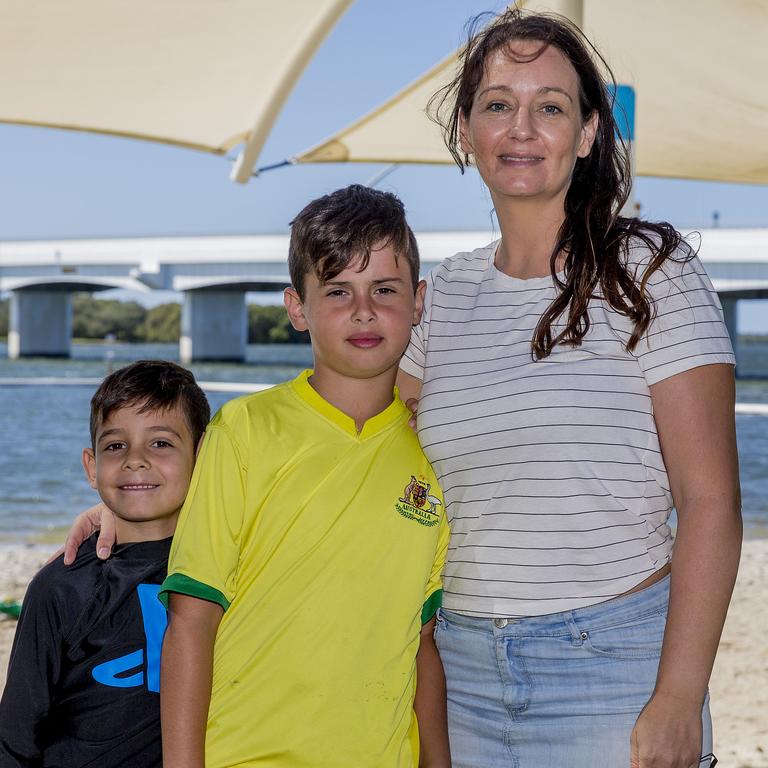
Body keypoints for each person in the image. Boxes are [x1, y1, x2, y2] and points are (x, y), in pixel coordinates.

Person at [396, 9, 740, 768]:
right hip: (457, 678)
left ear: (587, 134)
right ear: (465, 131)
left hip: (615, 670)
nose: (522, 128)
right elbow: (352, 453)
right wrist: (156, 493)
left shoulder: (653, 271)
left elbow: (712, 500)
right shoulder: (441, 297)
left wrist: (680, 697)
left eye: (550, 106)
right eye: (497, 105)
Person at [158, 185, 451, 767]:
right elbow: (192, 620)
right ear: (297, 308)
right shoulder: (244, 430)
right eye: (338, 290)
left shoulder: (434, 454)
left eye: (384, 290)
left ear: (419, 302)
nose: (364, 311)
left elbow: (421, 643)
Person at [0, 360, 209, 767]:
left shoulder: (224, 567)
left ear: (201, 456)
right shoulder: (61, 584)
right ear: (92, 467)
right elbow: (16, 733)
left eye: (161, 443)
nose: (135, 460)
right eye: (115, 446)